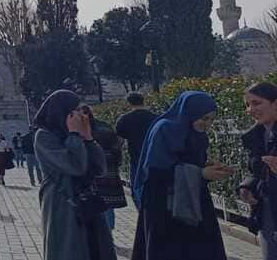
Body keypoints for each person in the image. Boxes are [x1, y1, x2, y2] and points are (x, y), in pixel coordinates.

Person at [131, 90, 232, 260]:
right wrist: (200, 173)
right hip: (164, 206)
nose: (207, 124)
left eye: (211, 119)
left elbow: (190, 163)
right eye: (204, 118)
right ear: (190, 112)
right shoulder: (164, 129)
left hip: (194, 201)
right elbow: (155, 173)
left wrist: (209, 168)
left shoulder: (197, 134)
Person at [34, 90, 114, 260]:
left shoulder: (76, 133)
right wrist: (74, 135)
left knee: (96, 249)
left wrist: (88, 138)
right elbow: (75, 166)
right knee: (69, 250)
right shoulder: (44, 136)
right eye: (76, 110)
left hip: (88, 201)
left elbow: (100, 168)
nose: (80, 115)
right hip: (62, 202)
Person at [240, 81, 277, 259]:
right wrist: (247, 187)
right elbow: (256, 170)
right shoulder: (254, 136)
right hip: (267, 209)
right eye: (247, 105)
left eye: (256, 103)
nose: (250, 110)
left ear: (275, 103)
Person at [82, 105, 124, 232]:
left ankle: (100, 232)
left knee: (93, 202)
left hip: (91, 171)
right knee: (108, 204)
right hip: (109, 169)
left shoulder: (81, 130)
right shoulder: (105, 126)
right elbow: (117, 148)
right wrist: (116, 164)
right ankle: (109, 231)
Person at [115, 92, 157, 188]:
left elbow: (119, 142)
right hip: (153, 158)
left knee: (137, 187)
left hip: (136, 158)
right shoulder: (155, 118)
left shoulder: (124, 119)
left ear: (129, 103)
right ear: (143, 101)